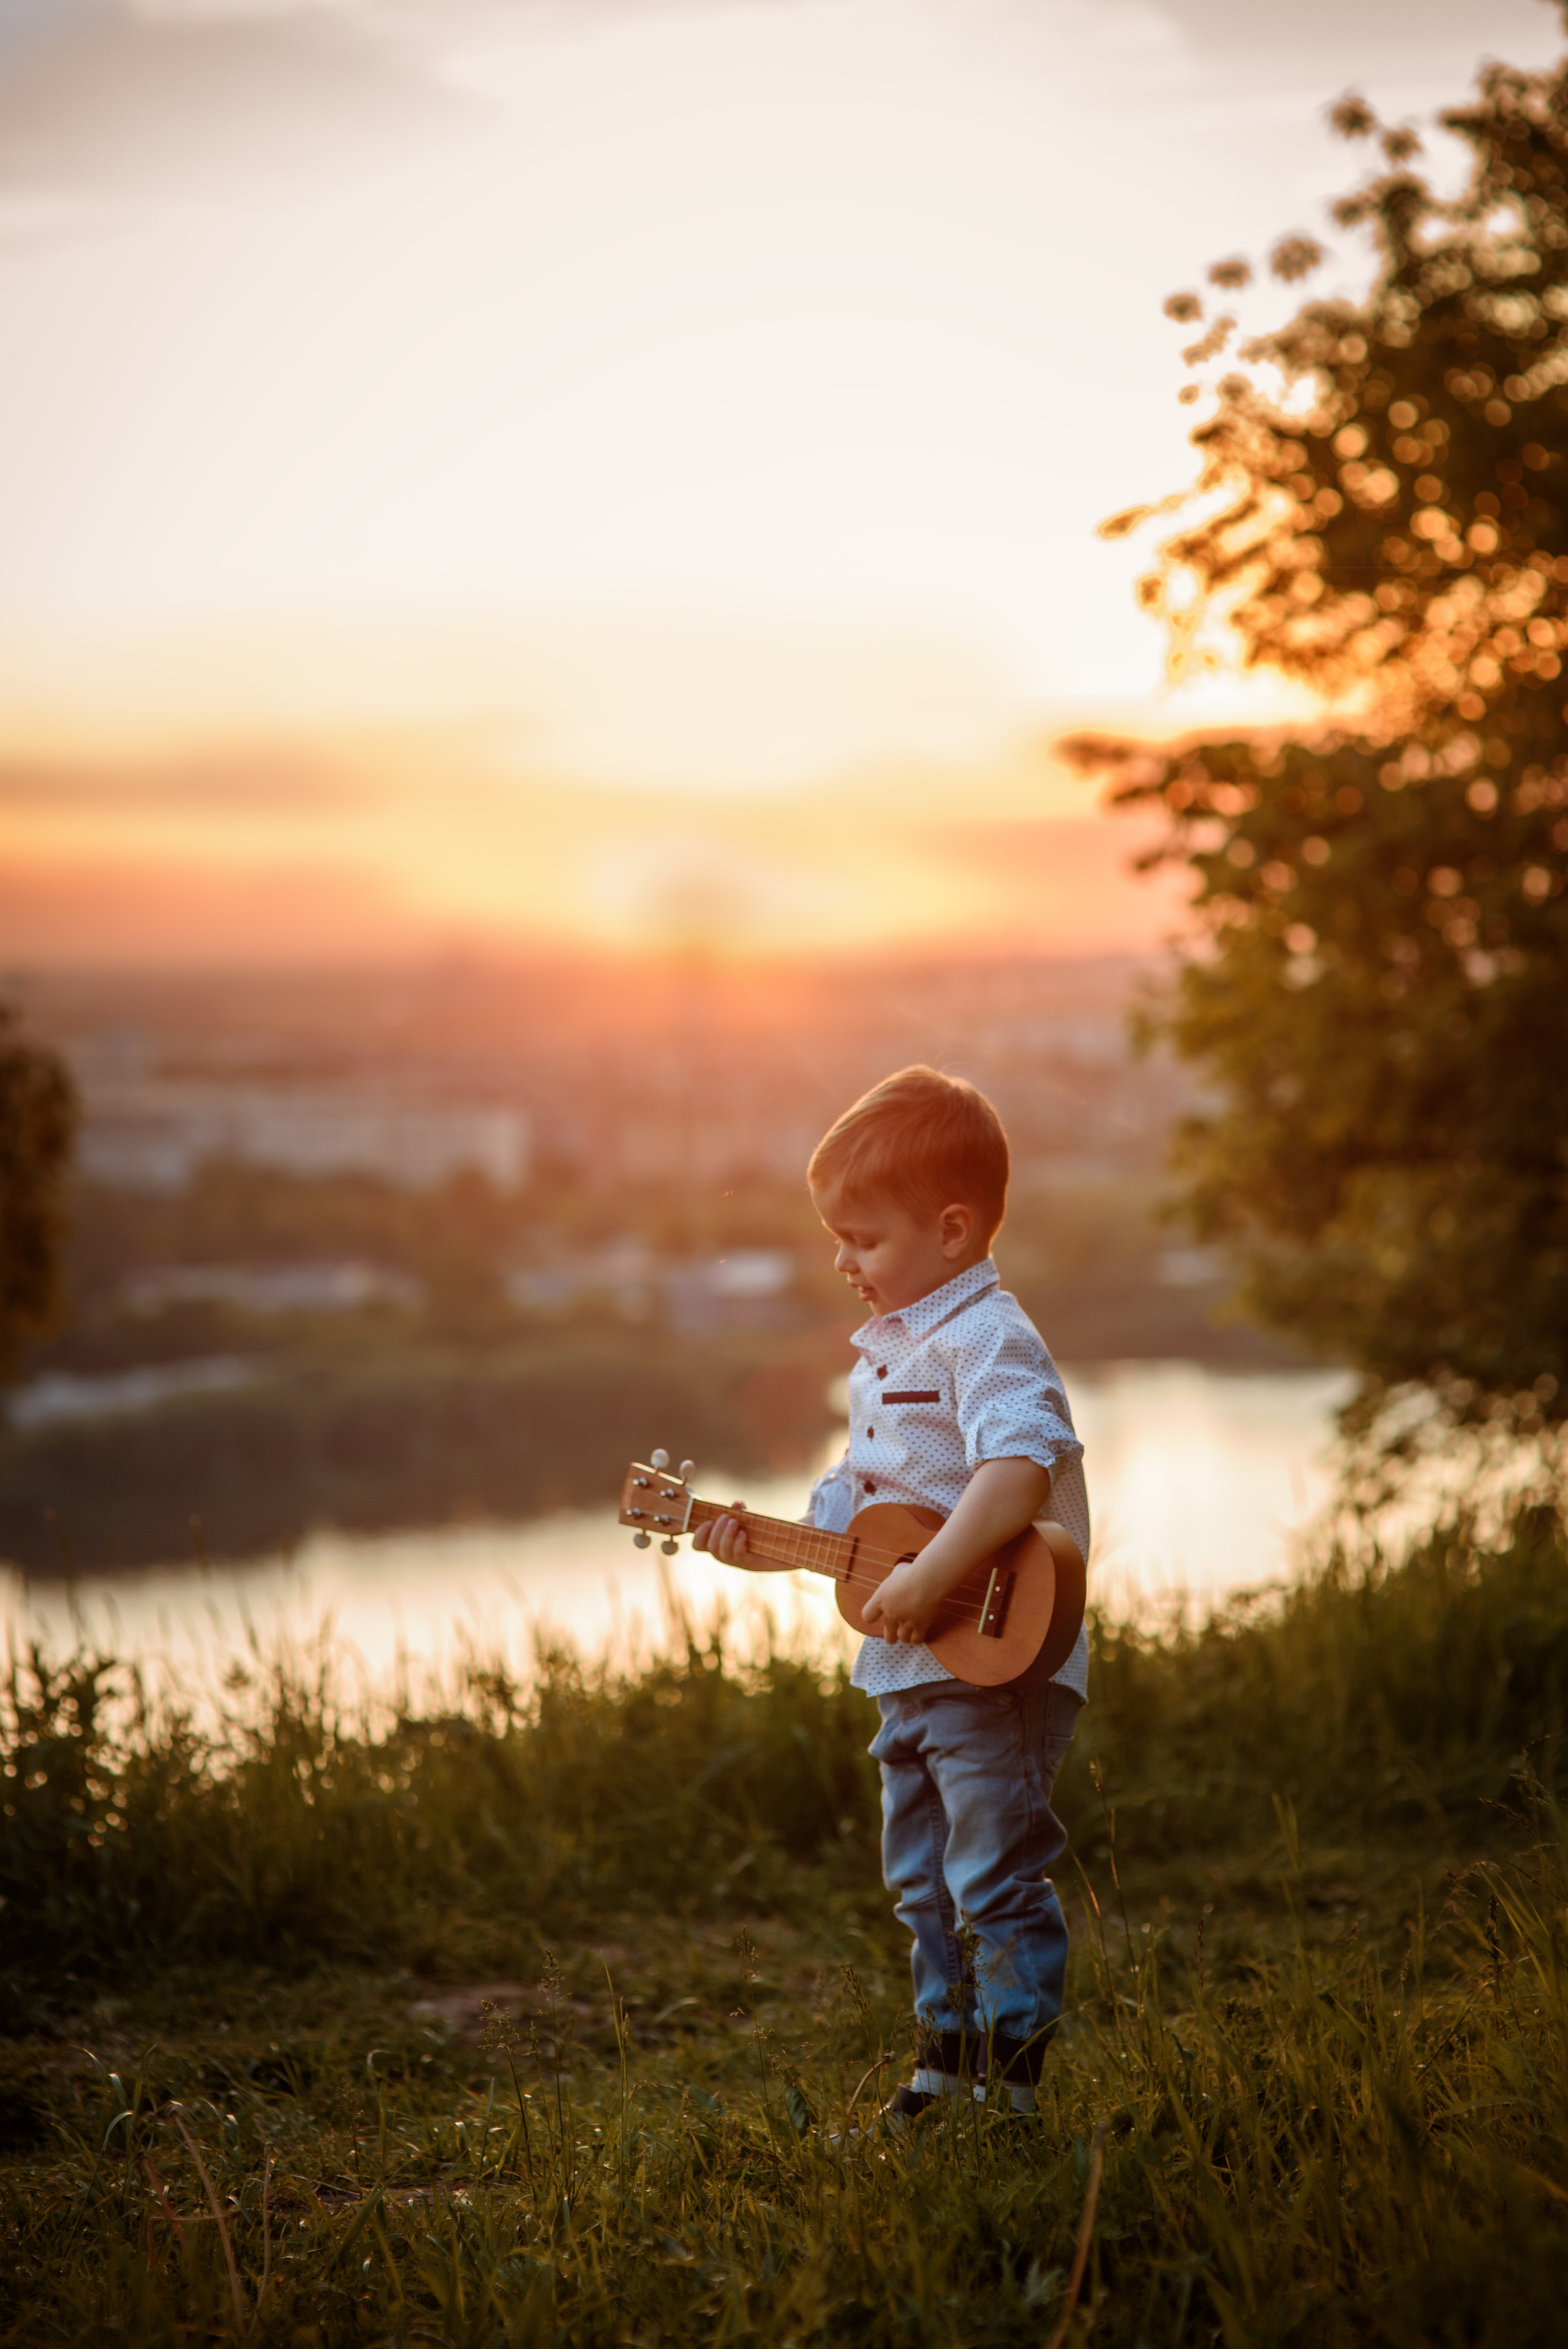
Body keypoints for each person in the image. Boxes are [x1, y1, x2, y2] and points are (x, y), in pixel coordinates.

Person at [693, 1065, 1088, 2126]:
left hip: (993, 1658)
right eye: (838, 1237)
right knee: (922, 1881)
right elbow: (854, 1530)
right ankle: (942, 2067)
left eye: (863, 1238)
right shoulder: (882, 1357)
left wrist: (937, 1572)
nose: (842, 1259)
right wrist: (755, 1544)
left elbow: (1021, 1466)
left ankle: (1011, 2092)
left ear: (952, 1231)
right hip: (908, 1670)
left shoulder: (986, 1337)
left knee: (993, 1877)